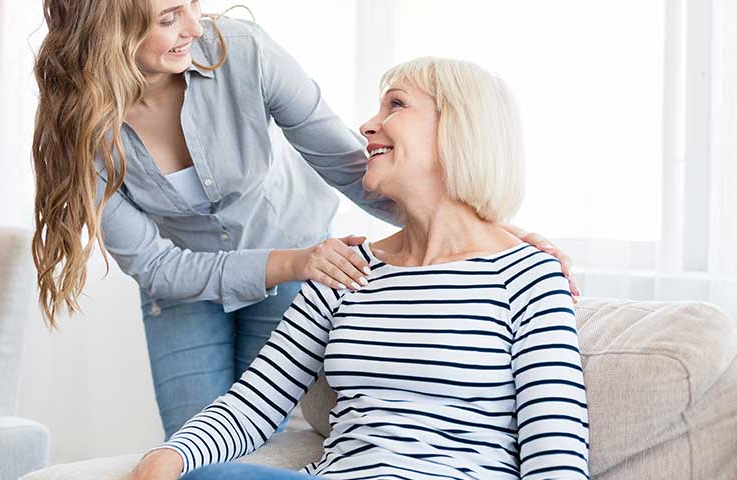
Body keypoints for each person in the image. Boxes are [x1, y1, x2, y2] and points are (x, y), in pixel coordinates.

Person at [31, 0, 580, 443]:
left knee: (273, 438)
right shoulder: (76, 130)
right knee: (192, 443)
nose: (197, 28)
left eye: (194, 1)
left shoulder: (241, 52)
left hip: (297, 252)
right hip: (187, 287)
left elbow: (348, 162)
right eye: (170, 17)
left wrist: (485, 233)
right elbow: (156, 266)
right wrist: (291, 261)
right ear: (111, 26)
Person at [130, 58, 589, 480]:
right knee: (196, 475)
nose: (368, 126)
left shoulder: (529, 276)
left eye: (396, 105)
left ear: (458, 128)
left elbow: (557, 458)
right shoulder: (346, 267)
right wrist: (166, 457)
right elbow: (254, 403)